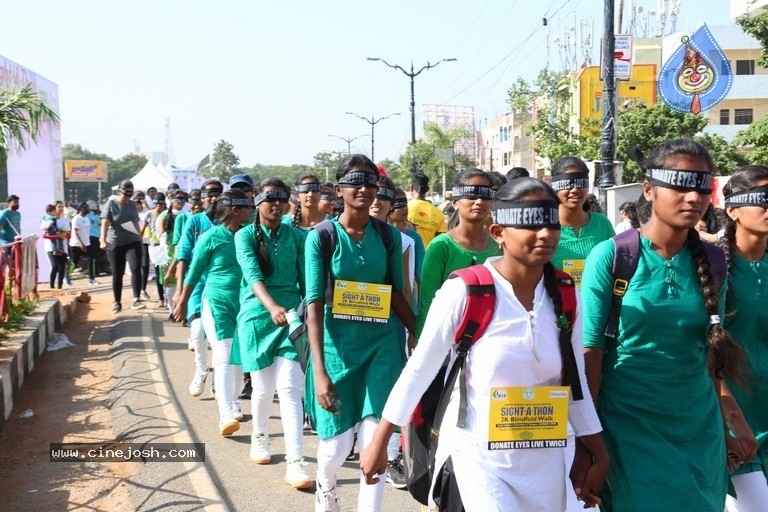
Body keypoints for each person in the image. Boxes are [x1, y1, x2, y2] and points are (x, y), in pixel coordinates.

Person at [360, 177, 609, 511]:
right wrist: (382, 438)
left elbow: (574, 383)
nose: (545, 234)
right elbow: (419, 370)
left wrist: (597, 450)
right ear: (498, 233)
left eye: (551, 223)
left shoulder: (566, 296)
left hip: (548, 463)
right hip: (477, 461)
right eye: (530, 224)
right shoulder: (466, 292)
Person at [580, 138, 754, 511]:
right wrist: (587, 441)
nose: (692, 197)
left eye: (701, 187)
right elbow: (590, 352)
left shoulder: (714, 260)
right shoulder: (612, 256)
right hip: (629, 428)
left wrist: (729, 417)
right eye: (678, 185)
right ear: (648, 190)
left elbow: (712, 351)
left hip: (699, 432)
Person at [305, 154, 415, 512]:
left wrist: (422, 336)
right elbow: (313, 304)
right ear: (339, 190)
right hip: (337, 350)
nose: (365, 189)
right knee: (335, 447)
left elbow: (397, 293)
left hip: (382, 347)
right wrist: (319, 371)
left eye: (370, 182)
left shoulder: (388, 236)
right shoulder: (322, 237)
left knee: (375, 443)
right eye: (355, 182)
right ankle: (327, 489)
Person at [231, 177, 313, 488]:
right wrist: (271, 307)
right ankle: (260, 437)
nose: (276, 204)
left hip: (291, 317)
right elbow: (252, 274)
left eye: (281, 198)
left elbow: (307, 281)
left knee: (290, 389)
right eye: (269, 199)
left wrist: (310, 315)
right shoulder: (244, 236)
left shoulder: (298, 237)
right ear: (257, 203)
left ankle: (296, 461)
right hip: (256, 316)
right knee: (264, 389)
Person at [174, 189, 252, 436]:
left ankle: (234, 402)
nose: (252, 210)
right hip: (216, 302)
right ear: (235, 210)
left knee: (239, 357)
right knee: (224, 353)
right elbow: (194, 271)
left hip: (245, 302)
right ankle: (225, 413)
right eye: (248, 207)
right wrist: (182, 302)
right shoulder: (210, 237)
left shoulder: (250, 235)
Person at [719, 166, 768, 511]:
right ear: (733, 210)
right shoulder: (714, 268)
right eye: (762, 199)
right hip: (738, 423)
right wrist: (728, 418)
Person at [416, 169, 501, 337]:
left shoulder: (499, 245)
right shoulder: (441, 246)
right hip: (449, 341)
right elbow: (427, 302)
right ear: (455, 202)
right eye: (471, 195)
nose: (479, 202)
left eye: (485, 196)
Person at [175, 180, 223, 397]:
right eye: (209, 194)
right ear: (201, 198)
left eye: (217, 194)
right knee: (197, 331)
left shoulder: (227, 222)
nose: (213, 198)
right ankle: (202, 369)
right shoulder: (194, 221)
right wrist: (178, 291)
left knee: (218, 337)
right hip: (196, 284)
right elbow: (183, 255)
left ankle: (217, 377)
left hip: (221, 286)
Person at [549, 156, 615, 288]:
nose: (575, 190)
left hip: (598, 303)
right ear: (555, 188)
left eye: (580, 183)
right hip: (558, 304)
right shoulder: (545, 228)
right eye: (567, 183)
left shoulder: (602, 224)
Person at [100, 179, 145, 313]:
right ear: (119, 192)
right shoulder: (111, 203)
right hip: (115, 242)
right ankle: (117, 302)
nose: (128, 197)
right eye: (126, 194)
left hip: (132, 241)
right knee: (117, 273)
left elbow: (136, 223)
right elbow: (105, 223)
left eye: (130, 194)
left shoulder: (132, 205)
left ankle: (136, 299)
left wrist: (140, 241)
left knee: (136, 267)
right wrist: (102, 240)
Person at [408, 173, 446, 249]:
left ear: (411, 188)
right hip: (429, 256)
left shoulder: (404, 208)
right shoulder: (438, 212)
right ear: (427, 189)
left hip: (408, 254)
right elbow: (441, 240)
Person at [41, 204, 68, 290]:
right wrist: (56, 236)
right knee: (55, 266)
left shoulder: (64, 221)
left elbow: (67, 234)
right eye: (58, 207)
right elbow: (44, 234)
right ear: (54, 209)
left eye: (62, 207)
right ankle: (52, 286)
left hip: (62, 246)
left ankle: (59, 288)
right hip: (50, 246)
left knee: (62, 268)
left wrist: (61, 234)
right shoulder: (47, 219)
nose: (60, 209)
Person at [70, 202, 98, 285]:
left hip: (87, 243)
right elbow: (75, 232)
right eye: (86, 207)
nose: (88, 209)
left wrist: (86, 243)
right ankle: (67, 276)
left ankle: (91, 279)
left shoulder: (86, 218)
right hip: (76, 244)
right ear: (82, 208)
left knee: (91, 260)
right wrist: (81, 243)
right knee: (74, 262)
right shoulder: (76, 218)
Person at [86, 200, 103, 278]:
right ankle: (96, 271)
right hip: (96, 236)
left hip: (87, 237)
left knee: (89, 255)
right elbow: (100, 224)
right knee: (96, 255)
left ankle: (90, 271)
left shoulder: (85, 215)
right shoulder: (96, 216)